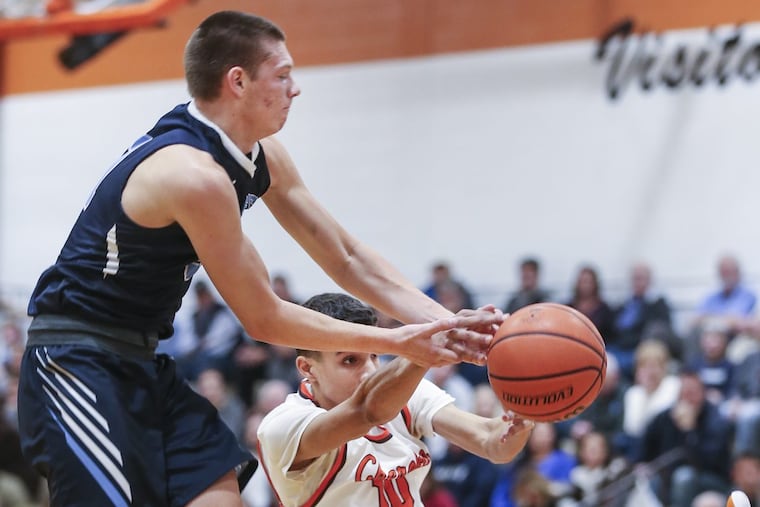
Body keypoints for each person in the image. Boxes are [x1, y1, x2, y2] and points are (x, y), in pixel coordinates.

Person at [17, 11, 501, 507]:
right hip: (76, 362)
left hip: (141, 360)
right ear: (238, 81)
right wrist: (397, 341)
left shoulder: (259, 153)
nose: (296, 88)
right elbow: (263, 316)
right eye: (284, 74)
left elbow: (346, 255)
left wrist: (452, 324)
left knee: (218, 494)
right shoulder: (193, 175)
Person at [256, 293, 534, 506]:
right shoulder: (283, 425)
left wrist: (526, 411)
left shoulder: (404, 394)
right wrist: (428, 348)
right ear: (307, 368)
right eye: (350, 360)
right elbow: (366, 412)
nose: (369, 371)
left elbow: (492, 443)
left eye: (375, 355)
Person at [633, 367, 733, 507]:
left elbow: (707, 462)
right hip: (670, 477)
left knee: (684, 477)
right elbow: (645, 444)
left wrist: (690, 431)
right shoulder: (666, 416)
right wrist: (641, 463)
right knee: (650, 479)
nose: (688, 398)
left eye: (692, 392)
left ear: (703, 393)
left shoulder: (715, 419)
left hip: (710, 479)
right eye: (684, 393)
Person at [609, 262, 675, 380]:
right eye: (635, 278)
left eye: (641, 278)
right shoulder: (623, 305)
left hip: (641, 347)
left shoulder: (657, 303)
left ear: (649, 280)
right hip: (618, 348)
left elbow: (663, 328)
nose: (637, 282)